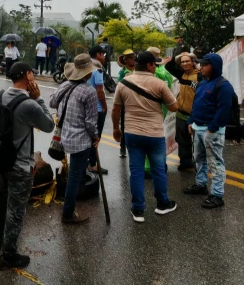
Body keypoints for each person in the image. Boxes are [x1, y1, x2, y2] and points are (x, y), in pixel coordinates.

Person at [0, 61, 55, 269]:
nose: (34, 76)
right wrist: (38, 98)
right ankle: (8, 255)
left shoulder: (0, 96)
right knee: (15, 210)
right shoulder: (29, 104)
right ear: (28, 76)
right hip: (19, 167)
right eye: (32, 73)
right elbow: (49, 125)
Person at [111, 51, 179, 223]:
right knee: (158, 170)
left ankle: (138, 209)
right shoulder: (159, 84)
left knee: (136, 171)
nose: (156, 67)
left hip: (132, 134)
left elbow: (116, 110)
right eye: (154, 64)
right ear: (149, 65)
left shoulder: (123, 83)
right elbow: (174, 107)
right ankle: (162, 204)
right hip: (154, 134)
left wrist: (115, 129)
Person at [50, 54, 100, 224]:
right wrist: (96, 137)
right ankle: (67, 213)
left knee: (74, 173)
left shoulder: (64, 85)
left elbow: (52, 102)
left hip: (65, 137)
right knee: (75, 176)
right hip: (81, 140)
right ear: (88, 73)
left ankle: (68, 208)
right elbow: (90, 122)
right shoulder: (89, 91)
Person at [183, 53, 233, 209]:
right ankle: (201, 184)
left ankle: (217, 195)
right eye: (200, 64)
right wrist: (191, 121)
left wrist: (211, 129)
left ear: (214, 66)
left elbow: (224, 111)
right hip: (198, 127)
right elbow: (196, 104)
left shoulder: (223, 85)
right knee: (198, 159)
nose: (201, 67)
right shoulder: (203, 83)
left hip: (212, 131)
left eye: (204, 65)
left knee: (215, 163)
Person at [147, 46, 178, 175]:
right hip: (164, 108)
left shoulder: (149, 72)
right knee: (162, 137)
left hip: (150, 110)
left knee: (148, 139)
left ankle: (149, 167)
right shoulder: (166, 73)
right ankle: (162, 163)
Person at [170, 52, 200, 171]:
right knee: (182, 141)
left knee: (198, 142)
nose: (185, 63)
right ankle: (186, 162)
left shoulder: (200, 76)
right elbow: (169, 66)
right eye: (182, 62)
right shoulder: (181, 74)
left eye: (187, 61)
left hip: (195, 115)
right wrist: (178, 55)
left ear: (193, 62)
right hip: (181, 114)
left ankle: (199, 165)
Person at [88, 45, 109, 174]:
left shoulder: (85, 67)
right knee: (96, 137)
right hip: (97, 108)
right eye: (103, 55)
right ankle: (93, 164)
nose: (104, 58)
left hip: (87, 107)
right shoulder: (97, 69)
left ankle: (87, 161)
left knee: (88, 136)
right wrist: (105, 106)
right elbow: (100, 90)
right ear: (97, 55)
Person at [116, 49, 135, 158]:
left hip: (137, 102)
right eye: (130, 58)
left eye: (133, 57)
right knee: (123, 126)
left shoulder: (138, 69)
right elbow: (119, 87)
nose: (132, 59)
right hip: (125, 103)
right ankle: (123, 147)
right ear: (125, 60)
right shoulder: (122, 72)